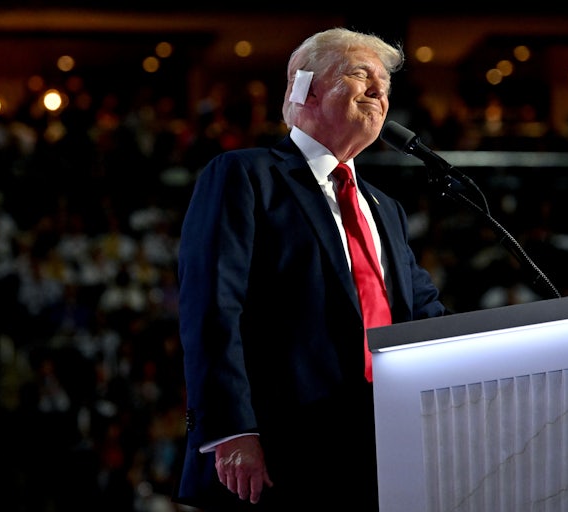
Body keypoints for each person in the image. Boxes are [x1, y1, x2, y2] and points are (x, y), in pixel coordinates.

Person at [174, 27, 447, 511]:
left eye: (384, 83)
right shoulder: (245, 175)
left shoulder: (384, 208)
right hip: (281, 454)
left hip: (378, 449)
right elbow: (213, 307)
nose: (378, 90)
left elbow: (424, 316)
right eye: (361, 74)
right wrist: (232, 429)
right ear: (308, 89)